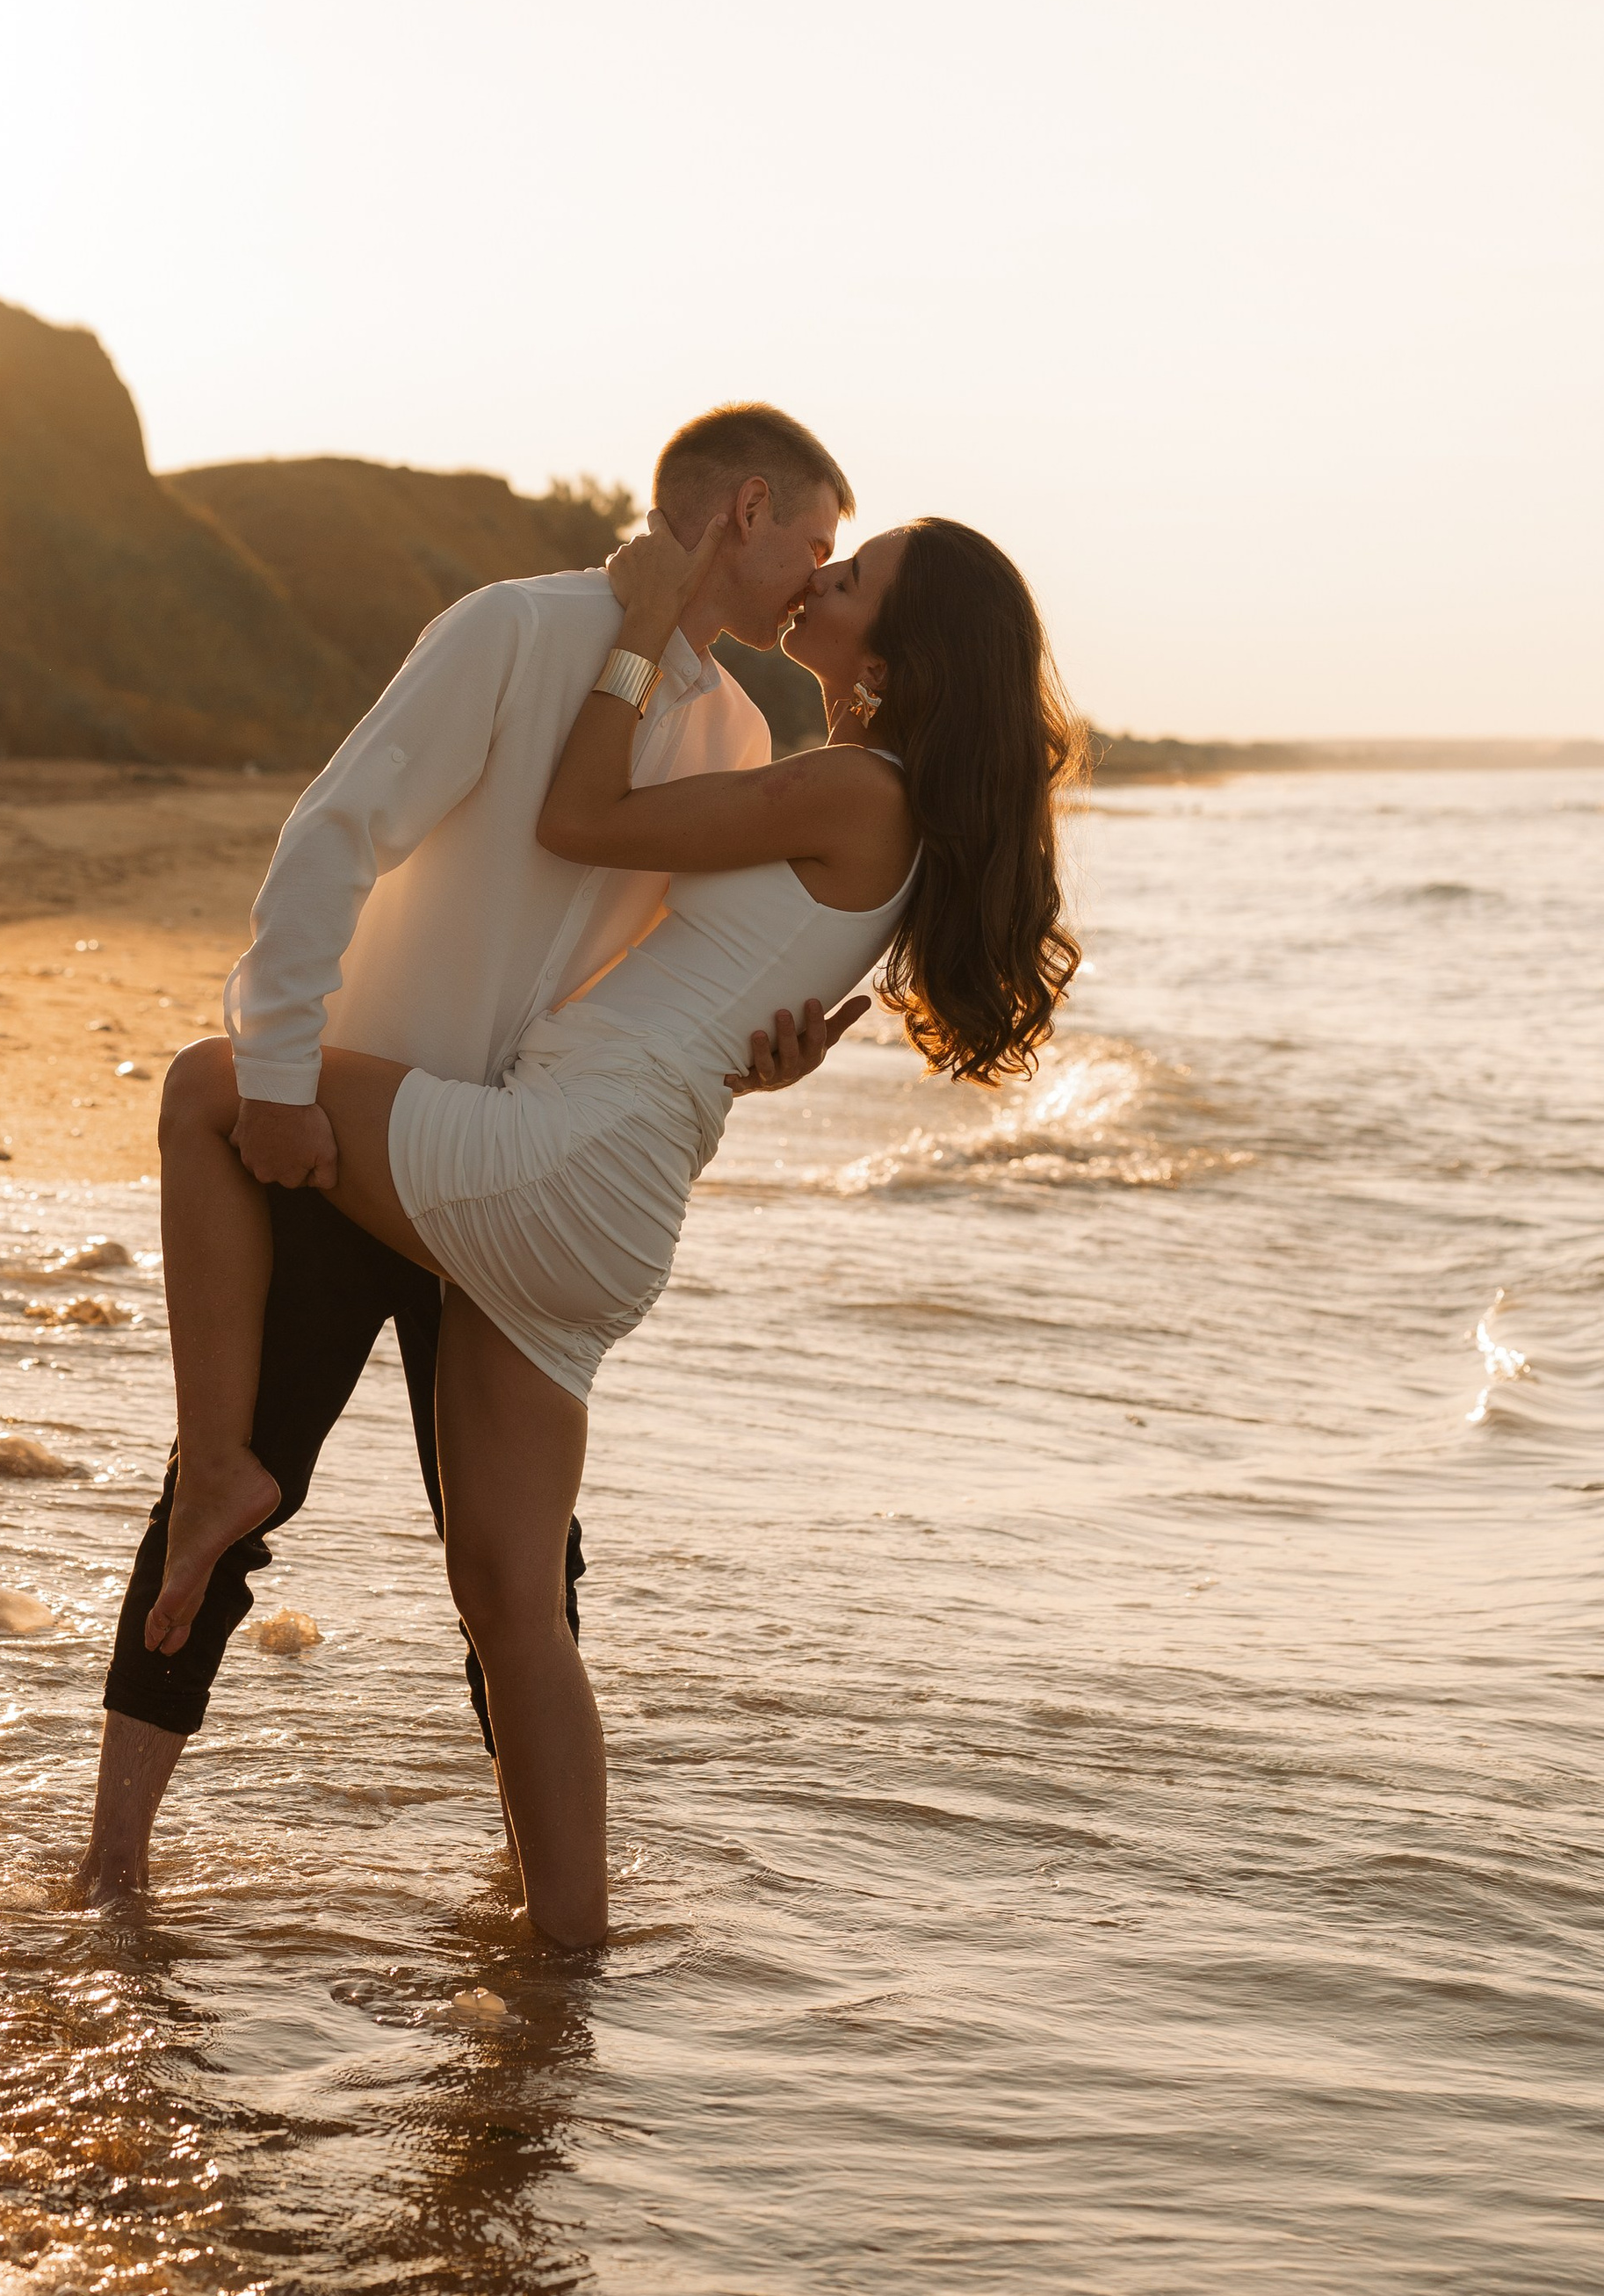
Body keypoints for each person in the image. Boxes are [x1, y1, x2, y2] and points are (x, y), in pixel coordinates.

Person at [142, 508, 1082, 1945]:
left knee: (215, 1089)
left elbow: (575, 820)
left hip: (557, 1155)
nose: (820, 586)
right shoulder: (883, 805)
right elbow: (729, 971)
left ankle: (221, 1471)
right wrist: (767, 1056)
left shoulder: (852, 784)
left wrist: (638, 620)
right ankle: (563, 1976)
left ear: (901, 652)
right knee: (513, 1604)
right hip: (619, 1208)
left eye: (852, 578)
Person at [72, 402, 859, 1903]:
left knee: (520, 1578)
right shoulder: (515, 629)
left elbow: (685, 981)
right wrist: (288, 1077)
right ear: (746, 510)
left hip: (514, 1164)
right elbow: (337, 831)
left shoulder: (744, 734)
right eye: (815, 545)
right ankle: (112, 1867)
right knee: (223, 1496)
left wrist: (769, 1055)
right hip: (346, 1134)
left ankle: (530, 1914)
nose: (816, 584)